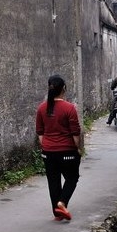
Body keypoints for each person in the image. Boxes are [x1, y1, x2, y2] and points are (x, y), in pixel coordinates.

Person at [35, 75, 83, 221]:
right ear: (64, 89)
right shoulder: (69, 108)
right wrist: (78, 149)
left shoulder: (42, 108)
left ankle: (57, 214)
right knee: (72, 178)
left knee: (53, 181)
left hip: (48, 152)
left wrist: (46, 146)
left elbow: (40, 133)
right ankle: (62, 203)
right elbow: (75, 133)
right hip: (67, 151)